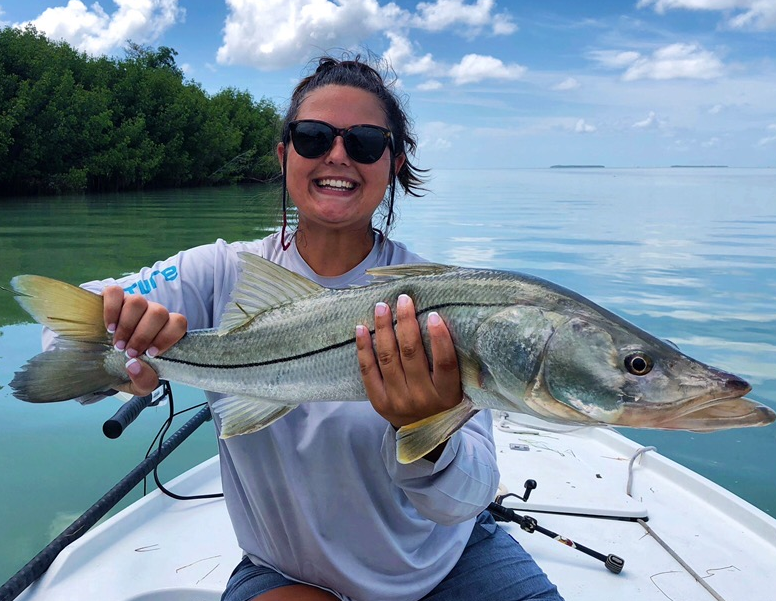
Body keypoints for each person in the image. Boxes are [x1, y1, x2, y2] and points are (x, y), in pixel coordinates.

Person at [55, 55, 563, 601]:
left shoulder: (441, 301)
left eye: (366, 142)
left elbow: (464, 501)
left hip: (455, 561)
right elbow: (65, 331)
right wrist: (121, 354)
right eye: (313, 136)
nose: (338, 155)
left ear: (393, 162)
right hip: (289, 572)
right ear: (284, 154)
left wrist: (428, 432)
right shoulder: (220, 271)